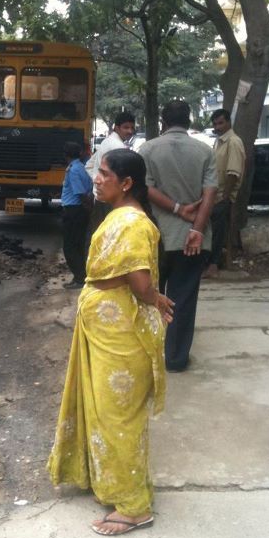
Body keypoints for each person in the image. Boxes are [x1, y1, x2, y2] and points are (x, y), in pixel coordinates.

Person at [48, 148, 174, 536]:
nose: (97, 179)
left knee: (119, 416)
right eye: (98, 173)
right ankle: (115, 486)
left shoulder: (133, 223)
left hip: (121, 335)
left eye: (104, 174)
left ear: (127, 183)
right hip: (105, 330)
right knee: (104, 411)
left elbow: (138, 282)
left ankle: (135, 508)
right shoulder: (119, 215)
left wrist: (155, 298)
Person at [139, 99, 217, 372]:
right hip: (192, 241)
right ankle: (175, 359)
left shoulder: (147, 150)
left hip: (156, 238)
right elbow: (210, 194)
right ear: (189, 121)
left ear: (163, 121)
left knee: (151, 296)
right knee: (182, 299)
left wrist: (175, 208)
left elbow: (144, 188)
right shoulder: (205, 151)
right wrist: (196, 228)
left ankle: (150, 354)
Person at [203, 109, 245, 278]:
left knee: (218, 232)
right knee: (212, 231)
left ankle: (213, 265)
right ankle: (211, 263)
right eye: (215, 124)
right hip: (214, 195)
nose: (217, 127)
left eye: (221, 123)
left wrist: (224, 197)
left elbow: (233, 173)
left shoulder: (233, 142)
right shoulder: (219, 142)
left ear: (228, 122)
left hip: (223, 196)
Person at [85, 111, 136, 233]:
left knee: (97, 234)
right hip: (110, 201)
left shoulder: (106, 142)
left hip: (100, 197)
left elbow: (88, 165)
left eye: (132, 128)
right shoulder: (118, 147)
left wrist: (98, 182)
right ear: (116, 128)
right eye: (126, 127)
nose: (130, 131)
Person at [61, 141, 93, 289]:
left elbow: (79, 192)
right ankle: (82, 275)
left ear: (65, 155)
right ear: (80, 153)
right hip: (79, 210)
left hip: (74, 210)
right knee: (79, 244)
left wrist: (87, 206)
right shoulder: (81, 167)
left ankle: (80, 278)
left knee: (70, 246)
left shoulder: (73, 170)